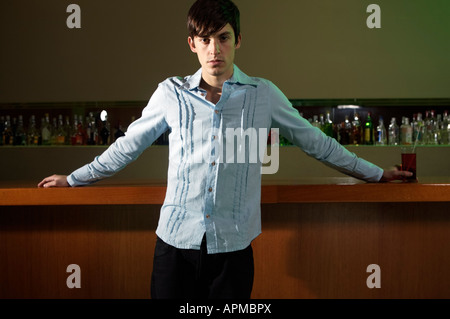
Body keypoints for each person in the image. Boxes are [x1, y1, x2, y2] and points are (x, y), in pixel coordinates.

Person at [38, 0, 411, 299]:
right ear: (192, 44)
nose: (214, 49)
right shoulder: (171, 93)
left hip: (233, 249)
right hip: (174, 244)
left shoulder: (263, 94)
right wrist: (73, 179)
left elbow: (316, 142)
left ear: (238, 40)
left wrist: (376, 173)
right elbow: (127, 146)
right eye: (204, 39)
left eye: (223, 37)